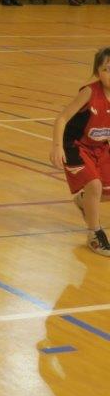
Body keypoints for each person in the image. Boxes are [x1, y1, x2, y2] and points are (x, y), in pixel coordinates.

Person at [50, 47, 110, 256]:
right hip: (75, 146)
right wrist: (57, 146)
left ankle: (84, 200)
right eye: (106, 69)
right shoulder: (89, 92)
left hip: (100, 147)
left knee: (101, 193)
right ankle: (94, 234)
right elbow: (62, 118)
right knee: (94, 185)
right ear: (97, 72)